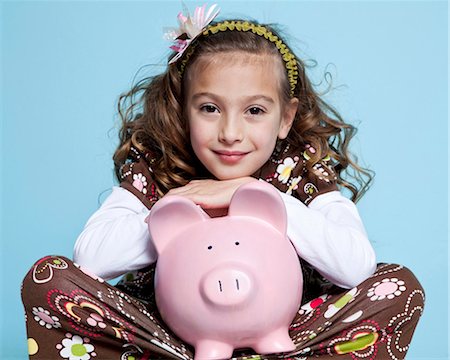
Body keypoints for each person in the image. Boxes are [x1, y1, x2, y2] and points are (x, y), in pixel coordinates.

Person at [22, 4, 424, 359]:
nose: (231, 133)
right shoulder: (157, 166)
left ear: (285, 118)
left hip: (288, 338)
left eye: (254, 110)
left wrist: (254, 194)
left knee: (398, 285)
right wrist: (179, 203)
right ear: (183, 112)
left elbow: (356, 266)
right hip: (170, 340)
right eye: (210, 108)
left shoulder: (302, 169)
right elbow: (91, 258)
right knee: (49, 278)